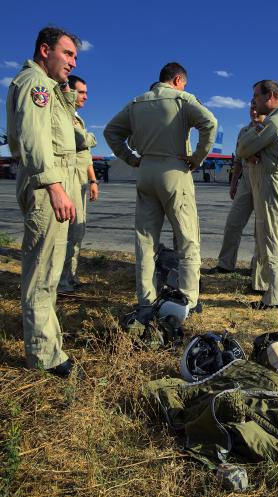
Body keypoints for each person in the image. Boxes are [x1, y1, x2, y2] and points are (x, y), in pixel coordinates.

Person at [104, 62, 217, 314]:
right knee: (187, 238)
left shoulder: (136, 103)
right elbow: (209, 123)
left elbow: (111, 132)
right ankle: (188, 299)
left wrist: (131, 158)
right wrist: (197, 157)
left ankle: (146, 299)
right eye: (184, 84)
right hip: (175, 170)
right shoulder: (182, 99)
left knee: (145, 240)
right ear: (178, 80)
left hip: (146, 171)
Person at [6, 27, 80, 376]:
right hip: (46, 184)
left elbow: (59, 129)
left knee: (50, 269)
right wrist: (54, 186)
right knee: (42, 273)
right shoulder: (34, 84)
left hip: (53, 179)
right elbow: (35, 140)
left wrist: (64, 89)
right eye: (67, 54)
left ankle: (49, 343)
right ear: (44, 50)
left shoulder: (49, 86)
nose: (72, 62)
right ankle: (43, 356)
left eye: (75, 57)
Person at [237, 80, 278, 310]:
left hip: (272, 182)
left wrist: (251, 150)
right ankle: (263, 284)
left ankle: (276, 296)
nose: (254, 101)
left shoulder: (276, 121)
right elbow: (246, 150)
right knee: (264, 235)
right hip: (270, 180)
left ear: (271, 95)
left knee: (271, 239)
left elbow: (242, 148)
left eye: (257, 96)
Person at [208, 101, 262, 275]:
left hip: (263, 181)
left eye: (256, 107)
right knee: (233, 223)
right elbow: (238, 160)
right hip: (245, 182)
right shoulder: (243, 132)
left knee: (260, 229)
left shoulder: (270, 129)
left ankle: (257, 268)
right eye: (251, 108)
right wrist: (233, 184)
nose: (253, 111)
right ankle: (225, 264)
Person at [58, 75, 99, 293]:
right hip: (70, 179)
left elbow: (86, 154)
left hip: (82, 179)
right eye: (81, 92)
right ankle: (62, 282)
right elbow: (84, 141)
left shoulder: (77, 118)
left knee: (78, 231)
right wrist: (91, 137)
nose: (85, 97)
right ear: (70, 92)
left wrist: (93, 179)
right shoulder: (66, 116)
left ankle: (70, 277)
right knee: (71, 231)